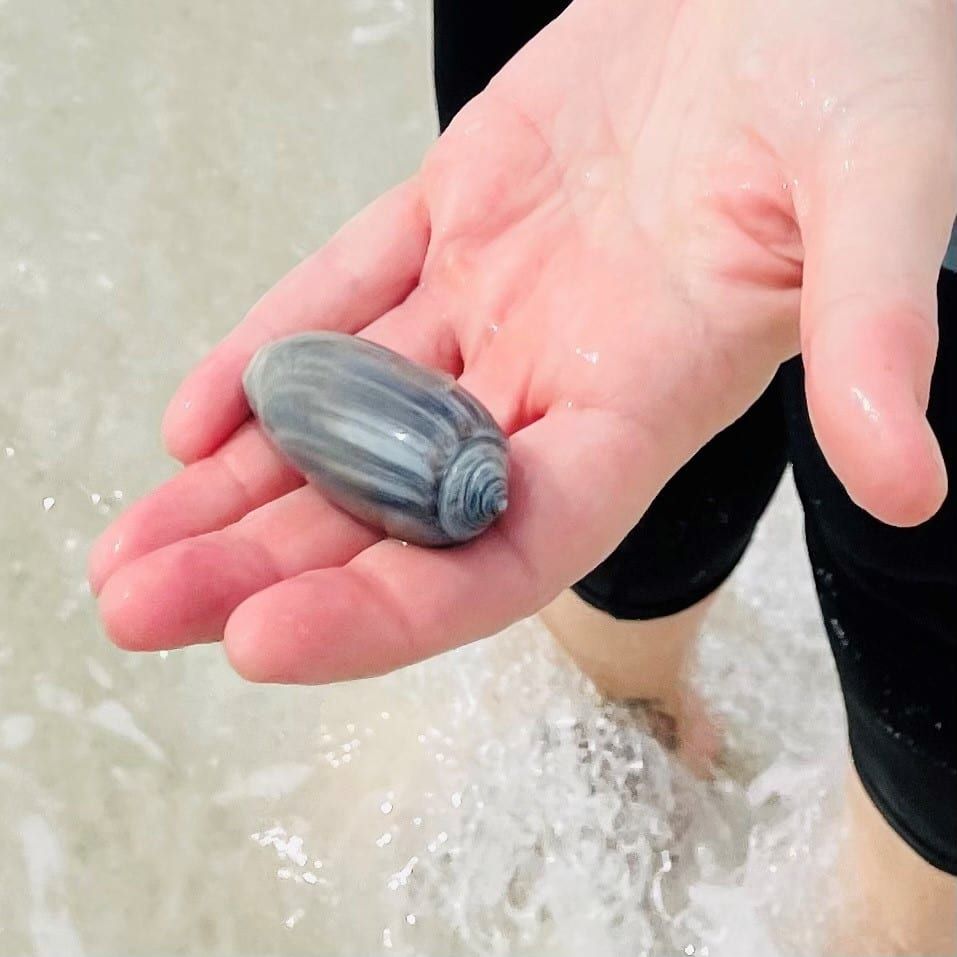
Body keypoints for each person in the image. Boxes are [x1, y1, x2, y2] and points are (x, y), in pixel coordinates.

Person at [87, 1, 956, 952]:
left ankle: (895, 911)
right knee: (621, 401)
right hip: (599, 50)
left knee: (921, 599)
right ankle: (620, 701)